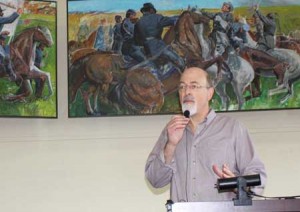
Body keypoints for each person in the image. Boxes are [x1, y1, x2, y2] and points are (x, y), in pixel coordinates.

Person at [145, 67, 267, 202]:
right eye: (182, 87)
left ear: (210, 93)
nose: (187, 92)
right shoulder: (172, 129)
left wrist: (238, 184)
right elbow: (155, 180)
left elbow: (257, 176)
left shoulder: (232, 128)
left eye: (194, 86)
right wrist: (171, 145)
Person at [134, 2, 185, 72]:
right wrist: (181, 16)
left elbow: (137, 40)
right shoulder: (156, 17)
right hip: (159, 48)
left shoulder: (138, 22)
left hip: (147, 52)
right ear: (151, 10)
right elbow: (171, 20)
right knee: (180, 61)